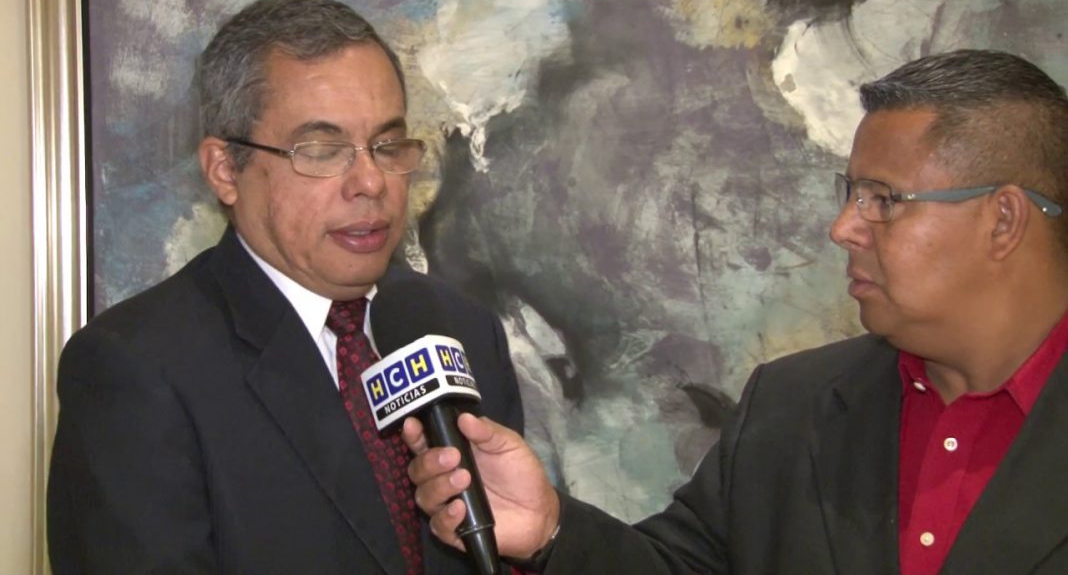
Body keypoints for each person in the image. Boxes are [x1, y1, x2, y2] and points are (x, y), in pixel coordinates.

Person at [404, 49, 1068, 574]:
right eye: (850, 194)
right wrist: (550, 528)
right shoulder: (791, 407)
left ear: (1003, 220)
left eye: (883, 200)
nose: (843, 228)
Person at [47, 0, 523, 574]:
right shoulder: (135, 371)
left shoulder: (463, 330)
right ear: (225, 169)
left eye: (387, 145)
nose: (371, 182)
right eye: (322, 150)